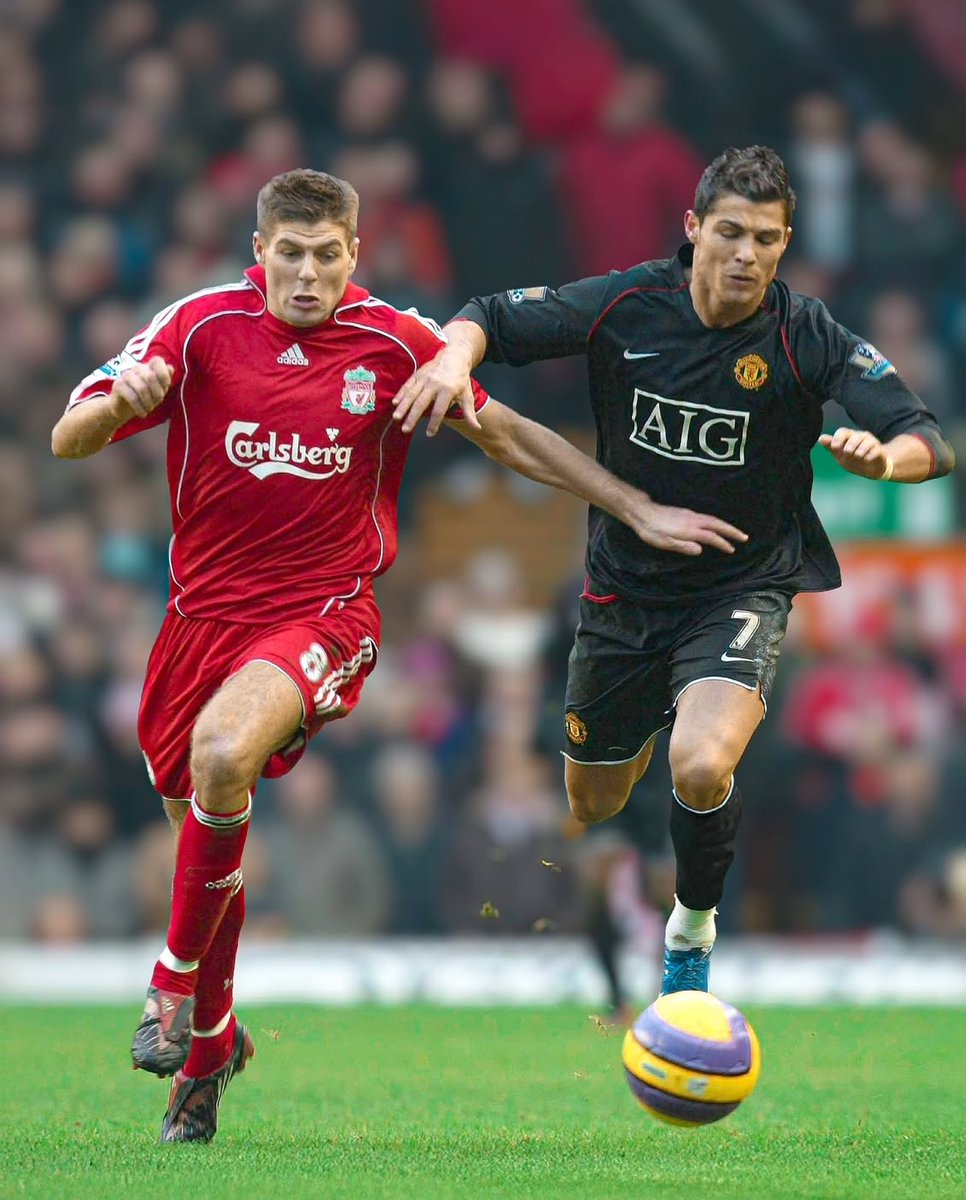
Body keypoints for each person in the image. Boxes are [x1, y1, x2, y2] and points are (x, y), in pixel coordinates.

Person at [51, 168, 746, 1145]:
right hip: (197, 622)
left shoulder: (393, 342)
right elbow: (67, 436)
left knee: (221, 760)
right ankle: (208, 1054)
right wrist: (124, 402)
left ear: (352, 256)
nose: (306, 274)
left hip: (323, 615)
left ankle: (167, 990)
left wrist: (633, 504)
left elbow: (506, 435)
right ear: (260, 255)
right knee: (205, 842)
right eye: (287, 254)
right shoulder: (197, 327)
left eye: (325, 256)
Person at [392, 145, 956, 1000]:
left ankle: (689, 930)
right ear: (692, 229)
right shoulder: (628, 302)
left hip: (740, 586)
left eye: (766, 239)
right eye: (729, 232)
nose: (745, 255)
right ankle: (624, 865)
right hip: (623, 592)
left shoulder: (806, 335)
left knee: (698, 765)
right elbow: (487, 317)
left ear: (784, 242)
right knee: (592, 803)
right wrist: (447, 358)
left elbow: (928, 438)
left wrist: (885, 459)